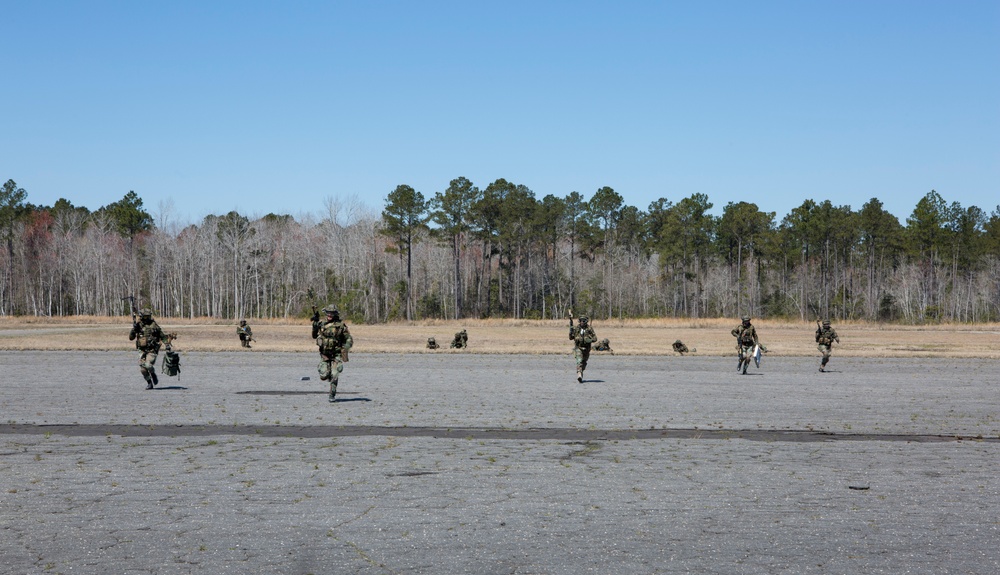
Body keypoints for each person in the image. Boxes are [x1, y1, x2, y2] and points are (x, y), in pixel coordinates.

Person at [311, 306, 353, 403]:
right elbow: (314, 336)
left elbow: (349, 339)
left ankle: (332, 394)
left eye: (332, 313)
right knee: (324, 375)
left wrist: (345, 349)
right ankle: (327, 373)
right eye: (328, 313)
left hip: (336, 354)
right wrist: (314, 324)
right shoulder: (321, 324)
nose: (329, 315)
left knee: (335, 374)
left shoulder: (341, 326)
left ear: (335, 314)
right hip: (325, 354)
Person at [129, 308, 164, 389]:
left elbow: (162, 335)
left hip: (152, 350)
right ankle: (149, 383)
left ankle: (153, 374)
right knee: (143, 370)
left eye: (148, 316)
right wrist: (134, 329)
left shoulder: (153, 325)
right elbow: (131, 338)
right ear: (141, 317)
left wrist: (167, 345)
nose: (147, 318)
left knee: (148, 365)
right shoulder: (138, 325)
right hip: (142, 350)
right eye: (145, 317)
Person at [570, 315, 597, 383]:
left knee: (584, 363)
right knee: (579, 361)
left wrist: (589, 340)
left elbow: (595, 338)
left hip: (587, 349)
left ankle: (581, 372)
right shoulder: (576, 328)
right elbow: (571, 338)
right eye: (581, 321)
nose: (582, 322)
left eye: (583, 321)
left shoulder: (589, 328)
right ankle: (579, 375)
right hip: (578, 348)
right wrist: (570, 332)